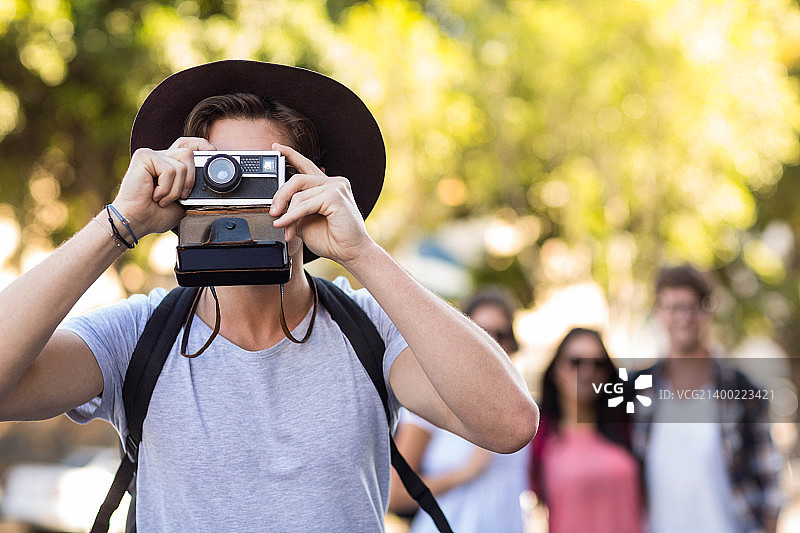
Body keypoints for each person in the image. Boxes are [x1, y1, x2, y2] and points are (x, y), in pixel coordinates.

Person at [0, 61, 539, 531]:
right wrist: (119, 224)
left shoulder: (371, 328)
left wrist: (363, 254)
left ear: (310, 185)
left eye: (261, 177)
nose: (237, 198)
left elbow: (510, 424)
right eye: (218, 176)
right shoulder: (136, 337)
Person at [631, 264, 784, 533]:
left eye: (692, 306)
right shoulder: (638, 390)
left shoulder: (743, 391)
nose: (683, 317)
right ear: (658, 312)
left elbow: (770, 484)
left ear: (708, 310)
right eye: (672, 307)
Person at [389, 287, 529, 533]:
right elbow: (394, 494)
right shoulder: (432, 401)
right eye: (482, 333)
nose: (492, 344)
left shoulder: (525, 415)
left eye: (501, 334)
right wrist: (465, 473)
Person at [528, 327, 645, 533]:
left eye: (598, 364)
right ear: (556, 371)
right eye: (575, 362)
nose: (586, 371)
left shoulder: (628, 427)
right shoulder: (538, 437)